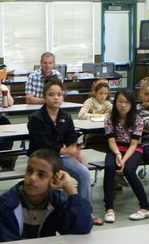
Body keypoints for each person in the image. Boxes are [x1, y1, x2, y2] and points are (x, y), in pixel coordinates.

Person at [27, 78, 100, 225]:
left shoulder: (65, 117)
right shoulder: (36, 118)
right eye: (51, 94)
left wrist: (75, 150)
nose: (56, 97)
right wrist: (66, 150)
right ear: (45, 97)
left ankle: (86, 214)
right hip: (41, 159)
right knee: (55, 180)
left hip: (61, 157)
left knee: (84, 173)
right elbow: (43, 143)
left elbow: (71, 137)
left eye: (59, 94)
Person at [102, 89, 149, 223]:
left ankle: (145, 207)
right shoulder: (109, 119)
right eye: (119, 101)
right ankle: (109, 208)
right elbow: (111, 141)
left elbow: (134, 144)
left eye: (126, 102)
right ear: (115, 103)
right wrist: (118, 154)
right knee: (109, 167)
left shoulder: (137, 120)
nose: (123, 105)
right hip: (116, 148)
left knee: (129, 170)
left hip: (133, 149)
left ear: (132, 104)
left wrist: (123, 161)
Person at [78, 79, 113, 153]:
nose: (103, 96)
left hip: (104, 134)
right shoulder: (90, 102)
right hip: (91, 135)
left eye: (105, 94)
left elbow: (115, 114)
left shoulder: (107, 104)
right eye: (101, 93)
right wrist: (101, 116)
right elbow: (81, 115)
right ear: (95, 93)